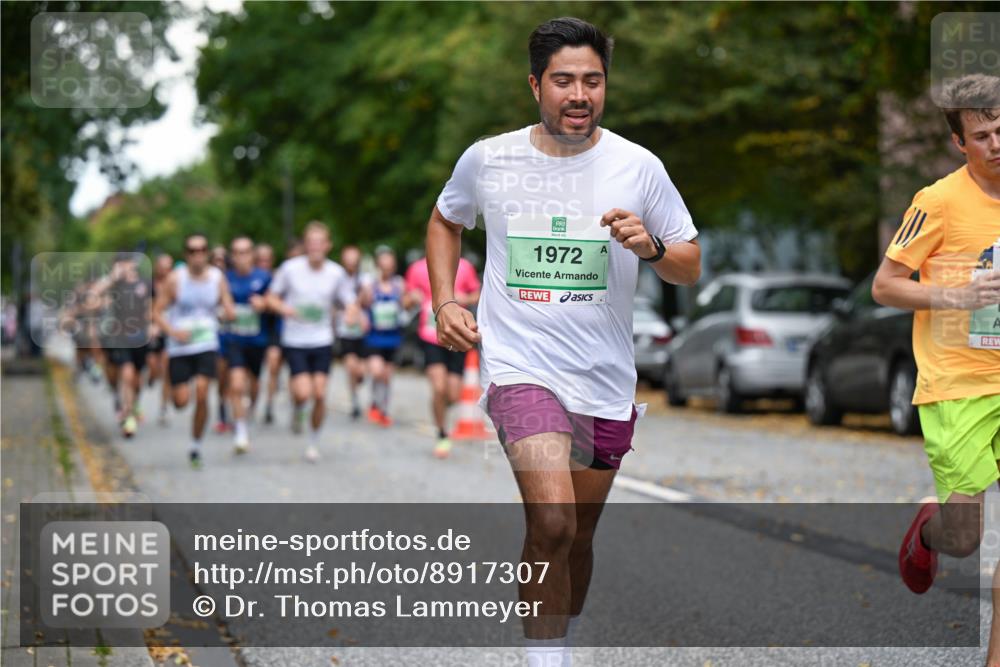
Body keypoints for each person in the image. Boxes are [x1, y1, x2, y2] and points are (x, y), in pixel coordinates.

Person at [426, 18, 700, 667]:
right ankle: (545, 660)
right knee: (551, 521)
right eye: (564, 81)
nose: (579, 94)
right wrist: (444, 300)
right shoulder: (489, 159)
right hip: (520, 367)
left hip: (603, 378)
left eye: (593, 81)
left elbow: (688, 264)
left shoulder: (638, 167)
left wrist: (651, 246)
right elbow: (444, 220)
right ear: (535, 85)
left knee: (577, 535)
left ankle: (558, 642)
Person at [872, 73, 1000, 663]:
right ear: (959, 142)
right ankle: (929, 530)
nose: (996, 144)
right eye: (982, 136)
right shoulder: (938, 201)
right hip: (957, 384)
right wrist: (956, 296)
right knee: (966, 539)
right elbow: (886, 285)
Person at [267, 222, 359, 462]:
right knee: (303, 393)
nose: (316, 247)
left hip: (322, 340)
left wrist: (351, 313)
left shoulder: (336, 273)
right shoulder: (290, 269)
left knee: (319, 394)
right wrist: (284, 309)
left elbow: (349, 301)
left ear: (328, 245)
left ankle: (313, 442)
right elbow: (271, 297)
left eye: (320, 242)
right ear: (305, 245)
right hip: (295, 340)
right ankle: (298, 408)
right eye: (311, 242)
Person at [154, 234, 235, 468]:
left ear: (207, 252)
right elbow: (156, 312)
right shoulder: (175, 279)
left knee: (202, 392)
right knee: (181, 402)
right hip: (180, 347)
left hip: (206, 344)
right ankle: (176, 397)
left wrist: (228, 312)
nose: (198, 254)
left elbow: (227, 304)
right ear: (186, 254)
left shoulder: (217, 278)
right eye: (192, 250)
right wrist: (173, 331)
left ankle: (196, 445)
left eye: (202, 249)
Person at [404, 255, 480, 457]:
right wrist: (412, 298)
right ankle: (442, 433)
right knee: (439, 387)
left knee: (453, 395)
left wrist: (466, 299)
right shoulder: (417, 268)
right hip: (430, 336)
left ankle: (439, 409)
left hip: (457, 334)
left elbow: (477, 294)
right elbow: (405, 301)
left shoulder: (465, 266)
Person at [92, 254, 152, 438]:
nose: (124, 267)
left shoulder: (144, 283)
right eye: (120, 264)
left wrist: (153, 324)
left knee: (136, 380)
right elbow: (93, 294)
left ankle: (133, 403)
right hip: (120, 338)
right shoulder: (114, 283)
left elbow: (152, 305)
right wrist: (112, 277)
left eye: (126, 263)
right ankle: (128, 417)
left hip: (140, 338)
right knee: (126, 374)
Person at [225, 236, 272, 453]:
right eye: (237, 252)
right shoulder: (225, 279)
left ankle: (251, 408)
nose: (241, 257)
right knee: (236, 384)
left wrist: (264, 304)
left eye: (245, 252)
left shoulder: (264, 277)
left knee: (254, 383)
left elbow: (275, 301)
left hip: (257, 340)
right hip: (235, 339)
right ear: (232, 256)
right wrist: (224, 310)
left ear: (252, 255)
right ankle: (241, 431)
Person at [360, 246, 414, 427]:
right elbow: (362, 304)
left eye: (389, 265)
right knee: (376, 371)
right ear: (378, 266)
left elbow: (406, 305)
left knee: (386, 376)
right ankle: (375, 402)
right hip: (374, 337)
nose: (386, 268)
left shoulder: (399, 284)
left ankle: (383, 409)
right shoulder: (370, 284)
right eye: (383, 265)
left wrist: (410, 299)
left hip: (393, 336)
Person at [335, 245, 368, 420]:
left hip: (362, 329)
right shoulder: (337, 278)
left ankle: (358, 386)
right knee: (351, 367)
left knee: (360, 371)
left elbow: (368, 300)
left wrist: (363, 296)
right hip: (345, 329)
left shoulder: (364, 278)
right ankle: (354, 401)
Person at [147, 253, 174, 425]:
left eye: (168, 267)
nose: (165, 271)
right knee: (153, 366)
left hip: (169, 331)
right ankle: (151, 376)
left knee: (166, 369)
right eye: (162, 267)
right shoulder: (150, 286)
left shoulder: (177, 284)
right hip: (154, 330)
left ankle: (163, 407)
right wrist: (153, 324)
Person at [211, 244, 232, 433]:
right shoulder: (206, 281)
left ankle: (235, 412)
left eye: (222, 259)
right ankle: (222, 412)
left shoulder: (233, 280)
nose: (219, 263)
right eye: (215, 260)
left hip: (235, 335)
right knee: (222, 376)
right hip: (216, 336)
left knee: (237, 377)